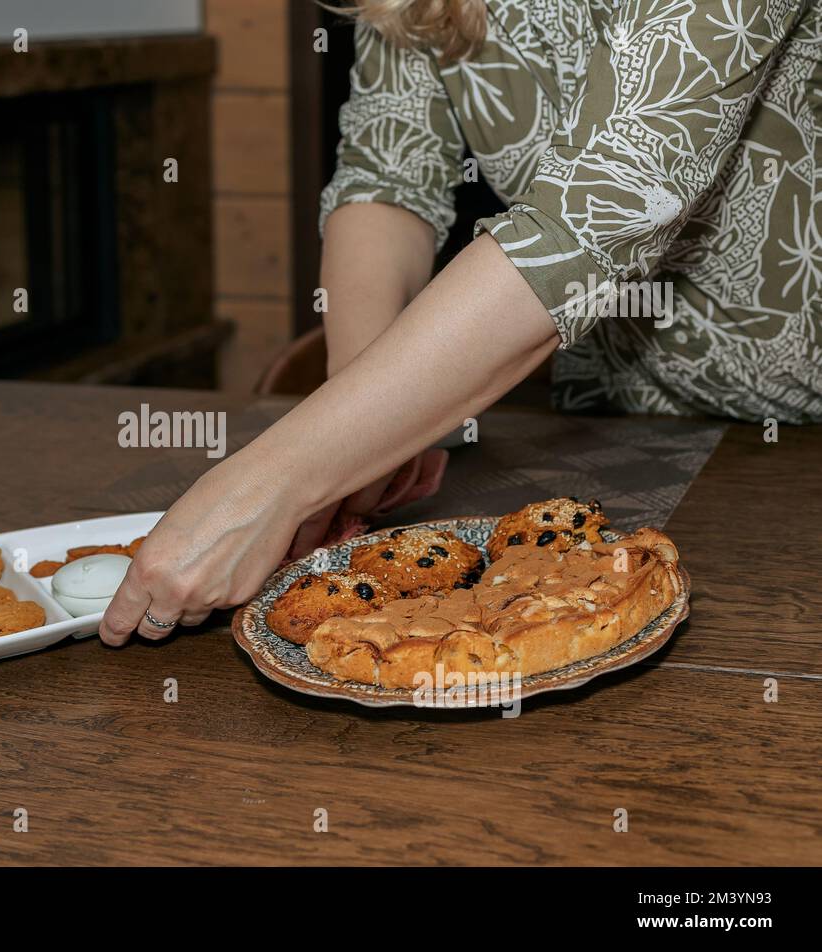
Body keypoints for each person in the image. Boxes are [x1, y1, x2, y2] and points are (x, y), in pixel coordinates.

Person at [99, 0, 821, 645]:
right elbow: (387, 178)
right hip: (624, 424)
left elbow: (592, 218)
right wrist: (363, 439)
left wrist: (272, 482)